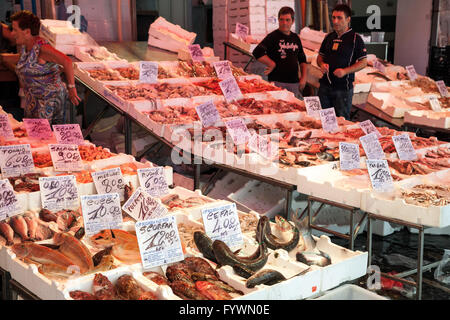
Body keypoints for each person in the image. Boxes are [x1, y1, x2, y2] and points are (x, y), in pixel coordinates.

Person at [1, 10, 81, 124]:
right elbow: (23, 58)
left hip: (48, 101)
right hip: (34, 99)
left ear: (27, 32)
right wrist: (2, 58)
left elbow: (67, 61)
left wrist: (72, 88)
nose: (12, 33)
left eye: (15, 30)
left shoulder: (43, 48)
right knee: (34, 135)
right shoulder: (26, 46)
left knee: (44, 136)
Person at [316, 4, 367, 120]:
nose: (335, 21)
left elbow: (363, 62)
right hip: (324, 86)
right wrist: (321, 64)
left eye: (339, 18)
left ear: (348, 19)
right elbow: (320, 57)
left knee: (341, 122)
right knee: (321, 120)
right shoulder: (329, 37)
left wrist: (345, 71)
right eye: (333, 17)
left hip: (343, 89)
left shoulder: (356, 39)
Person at [252, 6, 308, 99]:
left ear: (293, 21)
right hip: (277, 83)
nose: (284, 23)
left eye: (287, 20)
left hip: (294, 83)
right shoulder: (272, 37)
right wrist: (271, 63)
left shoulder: (295, 38)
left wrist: (304, 78)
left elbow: (302, 59)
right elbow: (257, 52)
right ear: (278, 20)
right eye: (281, 20)